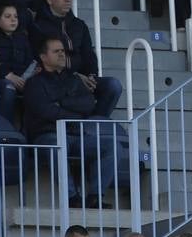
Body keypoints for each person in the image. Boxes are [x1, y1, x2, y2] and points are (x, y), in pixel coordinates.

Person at [22, 36, 121, 206]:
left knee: (112, 146)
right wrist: (74, 111)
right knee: (56, 145)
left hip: (76, 134)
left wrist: (61, 102)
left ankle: (95, 196)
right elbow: (46, 111)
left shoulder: (74, 79)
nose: (62, 54)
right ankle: (71, 197)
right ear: (44, 57)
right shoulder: (34, 83)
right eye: (56, 51)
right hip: (47, 135)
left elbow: (88, 104)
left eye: (63, 51)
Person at [32, 0, 123, 115]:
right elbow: (41, 59)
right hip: (54, 80)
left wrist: (91, 76)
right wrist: (75, 76)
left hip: (82, 79)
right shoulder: (37, 26)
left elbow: (89, 55)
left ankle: (94, 124)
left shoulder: (79, 25)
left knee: (113, 85)